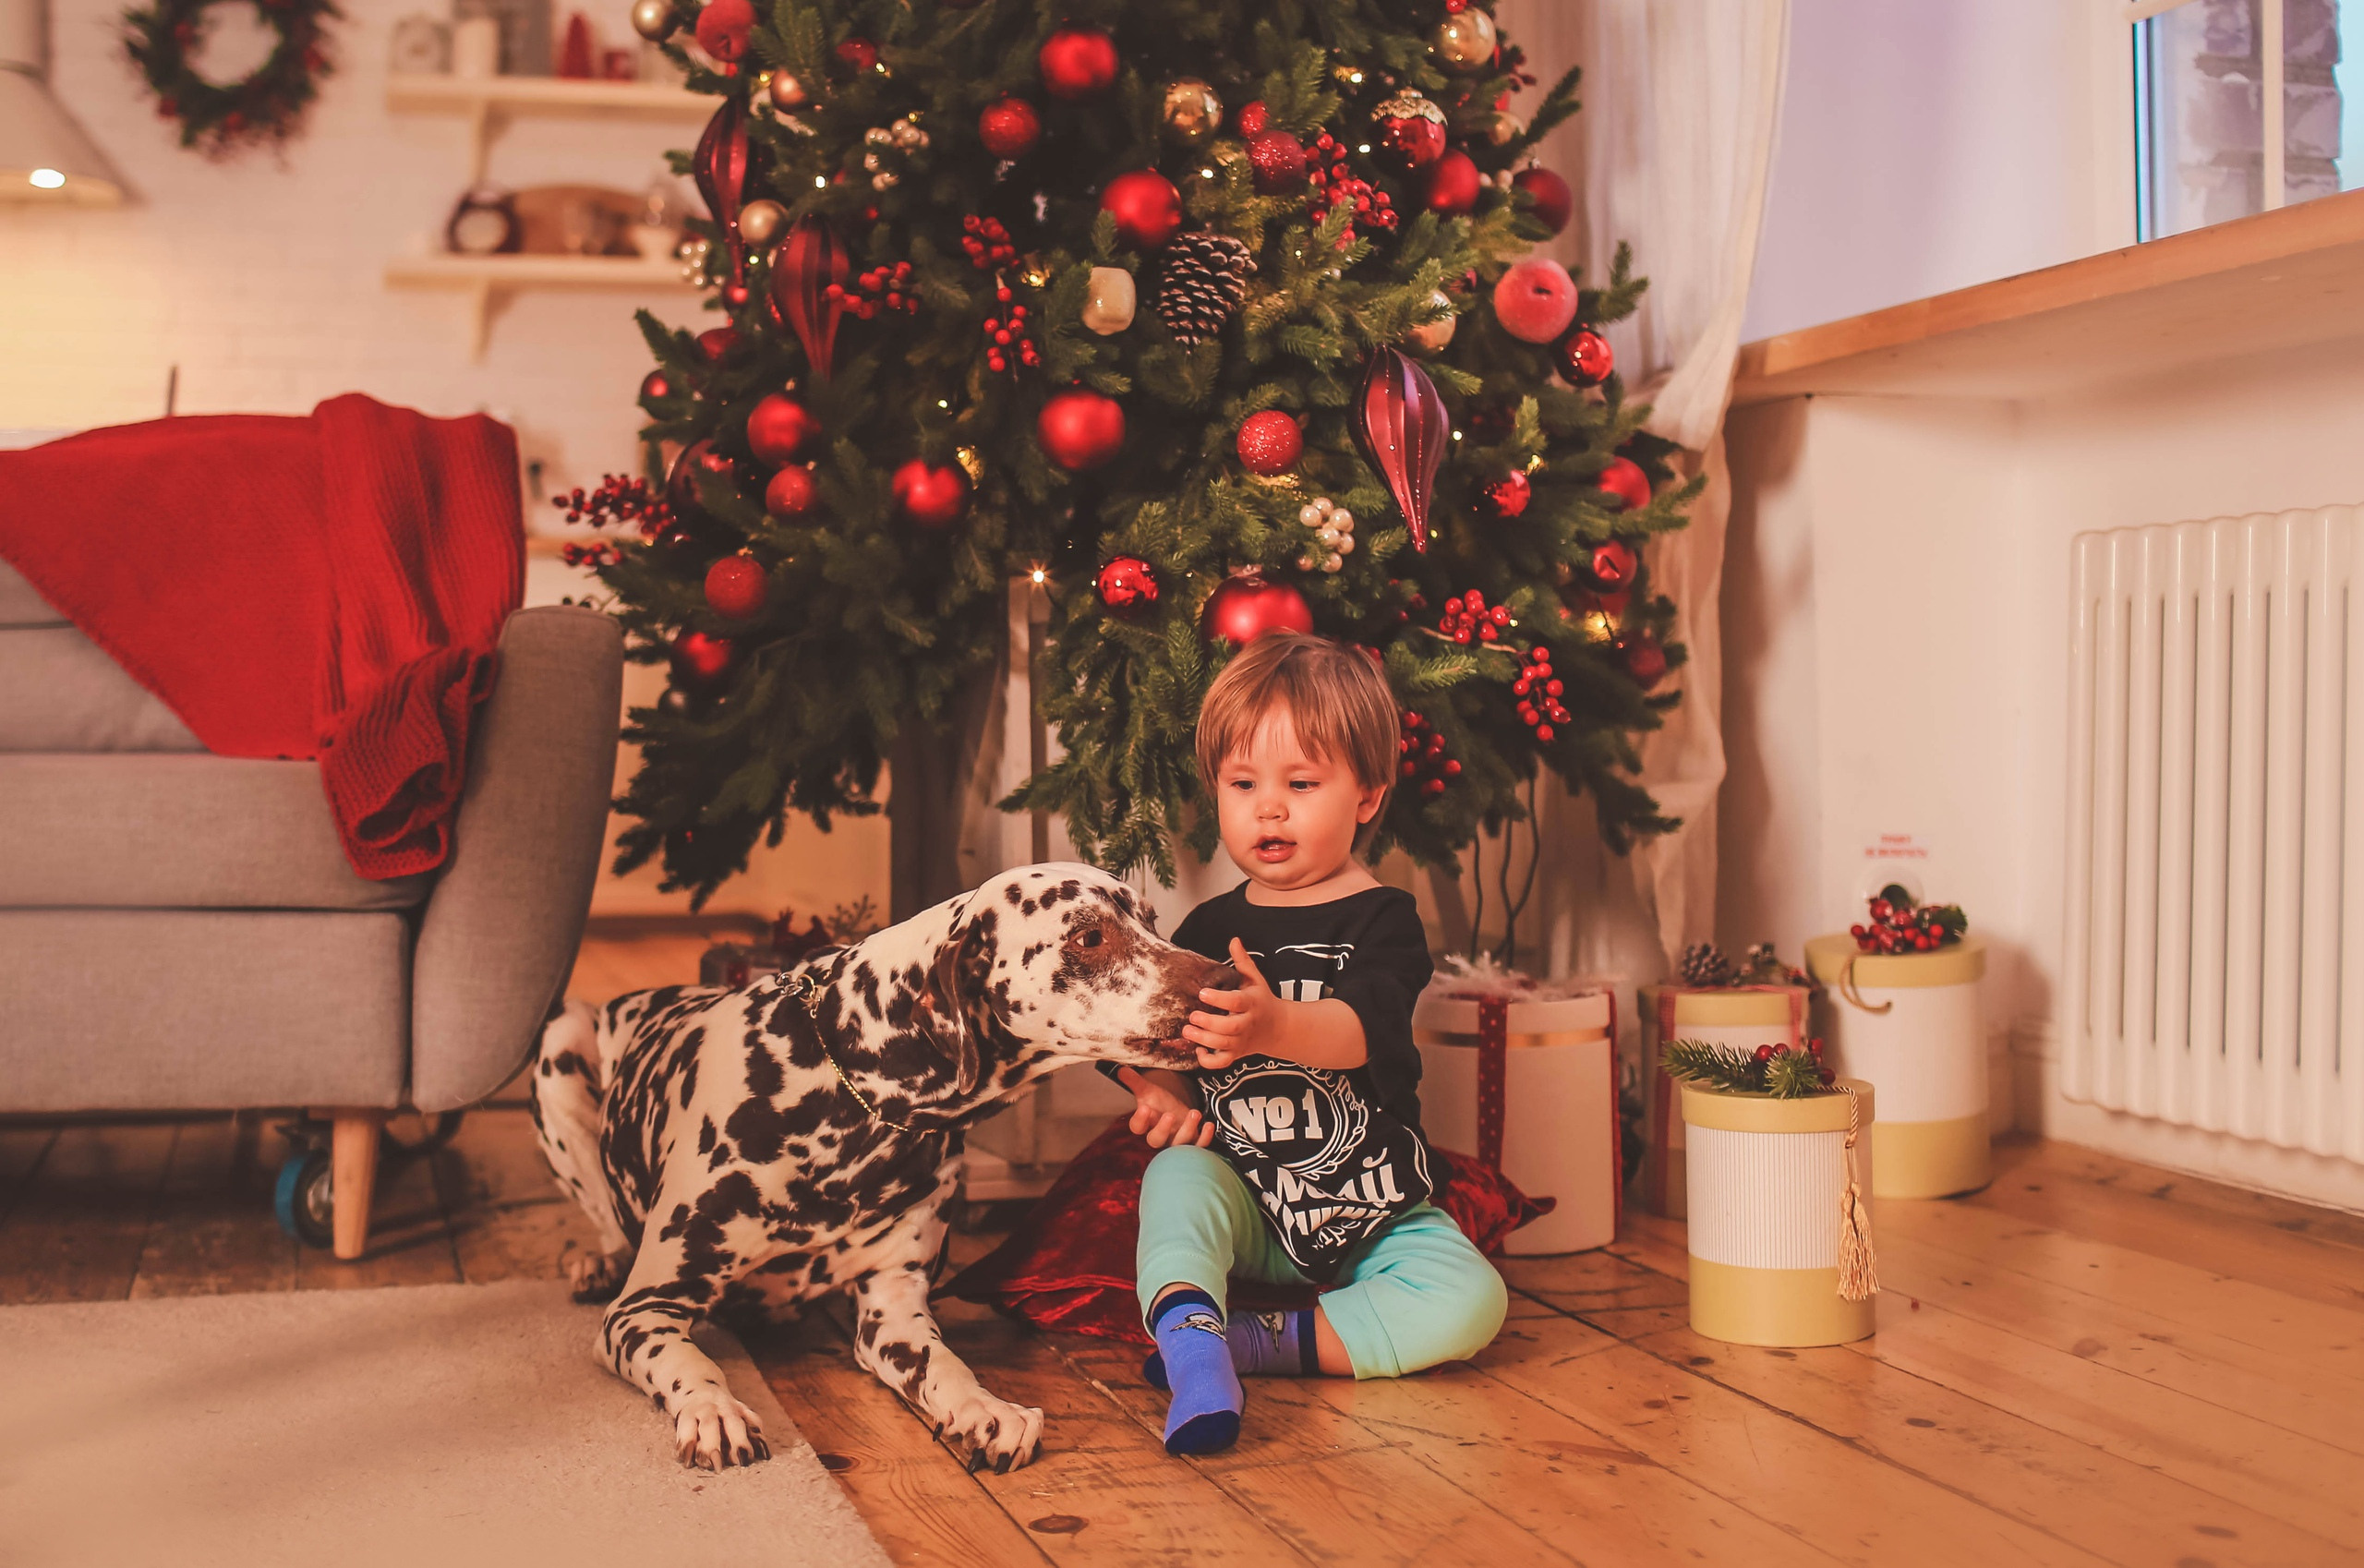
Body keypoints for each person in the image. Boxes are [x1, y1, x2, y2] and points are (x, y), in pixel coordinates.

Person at [1112, 632, 1509, 1456]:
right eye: (1243, 783)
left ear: (1366, 795)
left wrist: (1276, 1026)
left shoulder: (1384, 921)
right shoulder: (1209, 929)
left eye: (1300, 783)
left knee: (1473, 1300)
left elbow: (1361, 1030)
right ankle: (1189, 1340)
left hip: (1373, 1204)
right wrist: (1159, 1092)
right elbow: (1146, 1033)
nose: (1269, 807)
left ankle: (1253, 1343)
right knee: (1176, 1178)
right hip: (1248, 1197)